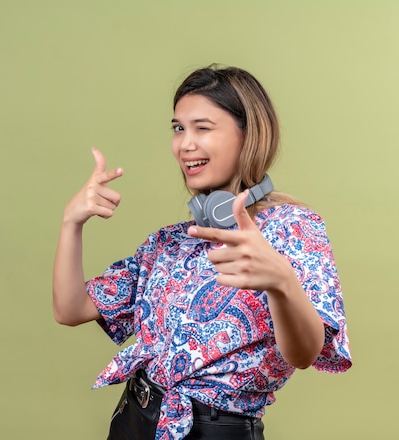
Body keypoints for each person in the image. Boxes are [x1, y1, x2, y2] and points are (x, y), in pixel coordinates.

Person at [52, 65, 352, 440]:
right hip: (134, 420)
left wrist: (282, 283)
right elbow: (71, 309)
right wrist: (71, 223)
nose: (185, 144)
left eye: (203, 127)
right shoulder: (171, 242)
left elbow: (305, 354)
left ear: (249, 135)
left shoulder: (294, 228)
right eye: (178, 128)